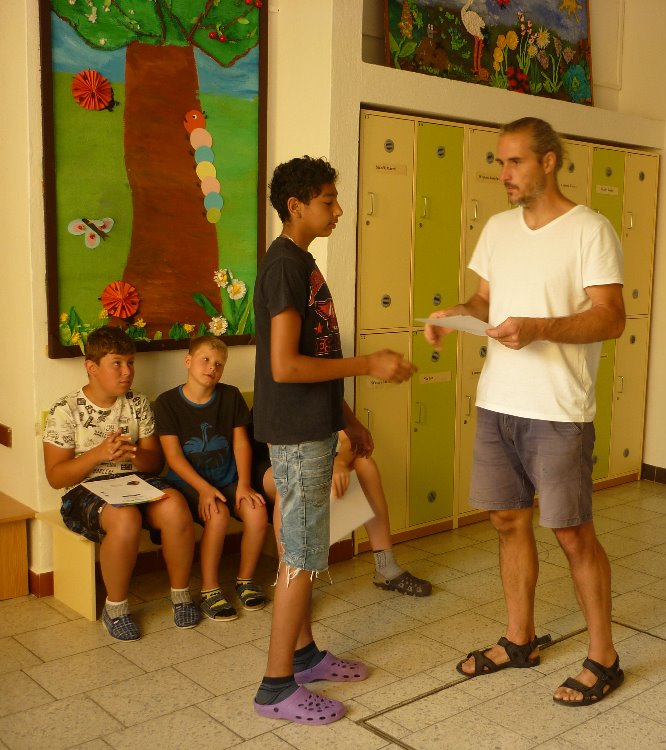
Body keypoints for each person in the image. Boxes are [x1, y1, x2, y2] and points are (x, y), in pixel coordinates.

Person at [424, 117, 626, 706]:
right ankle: (520, 640)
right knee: (507, 522)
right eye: (499, 162)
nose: (503, 174)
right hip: (498, 402)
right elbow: (484, 300)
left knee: (571, 532)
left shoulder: (589, 229)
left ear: (549, 161)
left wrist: (540, 328)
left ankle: (604, 657)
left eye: (514, 162)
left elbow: (611, 317)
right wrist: (455, 313)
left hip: (558, 409)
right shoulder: (497, 228)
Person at [252, 155, 416, 725]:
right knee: (300, 557)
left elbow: (314, 358)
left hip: (314, 426)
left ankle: (304, 656)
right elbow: (285, 366)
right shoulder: (285, 266)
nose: (340, 209)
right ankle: (276, 687)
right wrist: (368, 363)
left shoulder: (301, 262)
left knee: (303, 551)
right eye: (328, 200)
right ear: (295, 206)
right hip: (297, 436)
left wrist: (347, 420)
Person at [42, 325, 199, 641]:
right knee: (125, 517)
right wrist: (98, 454)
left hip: (134, 481)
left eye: (130, 363)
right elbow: (56, 477)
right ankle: (115, 609)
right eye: (117, 363)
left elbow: (155, 463)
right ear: (92, 367)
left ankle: (181, 595)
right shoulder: (65, 409)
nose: (127, 371)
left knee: (176, 506)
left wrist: (134, 454)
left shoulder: (136, 403)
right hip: (84, 491)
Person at [154, 335, 270, 621]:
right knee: (217, 515)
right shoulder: (167, 402)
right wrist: (204, 489)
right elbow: (173, 456)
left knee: (257, 510)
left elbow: (241, 443)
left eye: (219, 364)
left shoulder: (230, 396)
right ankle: (210, 589)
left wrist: (244, 484)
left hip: (228, 480)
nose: (211, 368)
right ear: (188, 361)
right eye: (205, 360)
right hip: (188, 484)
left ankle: (245, 581)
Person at [332, 430, 431, 596]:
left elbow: (348, 438)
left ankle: (385, 567)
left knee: (365, 464)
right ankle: (294, 577)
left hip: (321, 464)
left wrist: (340, 462)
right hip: (289, 468)